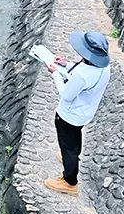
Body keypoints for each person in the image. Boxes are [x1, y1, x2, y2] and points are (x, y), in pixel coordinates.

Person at [43, 30, 111, 195]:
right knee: (73, 140)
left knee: (68, 145)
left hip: (69, 116)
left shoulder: (82, 75)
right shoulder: (103, 67)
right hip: (84, 113)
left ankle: (69, 181)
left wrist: (55, 74)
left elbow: (66, 95)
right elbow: (83, 73)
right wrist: (66, 65)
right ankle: (71, 156)